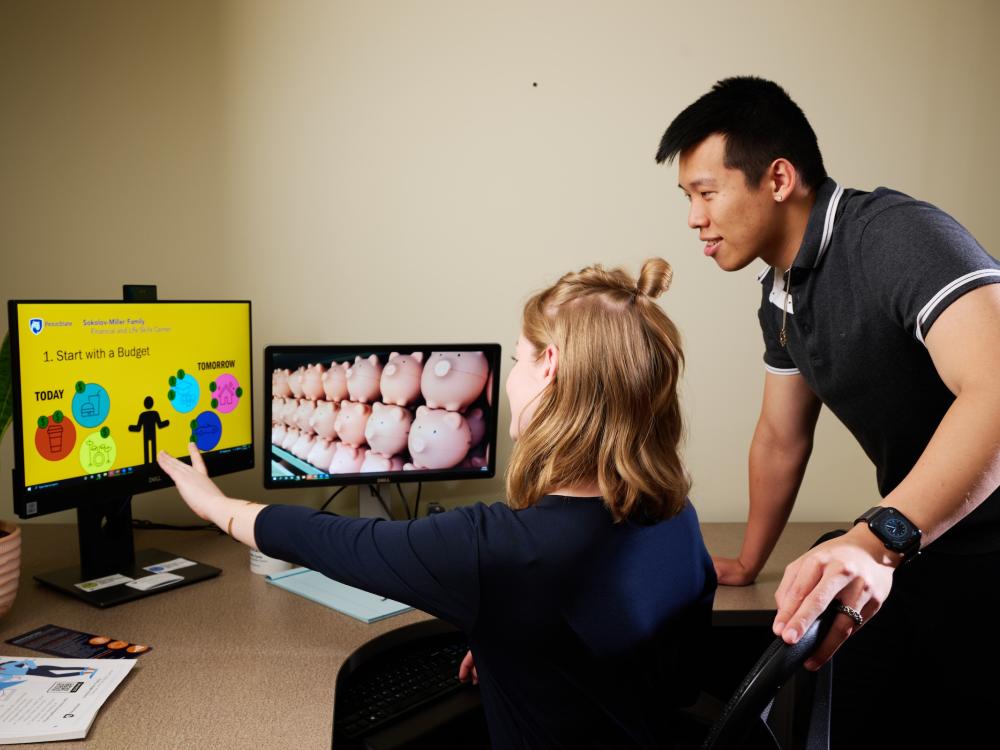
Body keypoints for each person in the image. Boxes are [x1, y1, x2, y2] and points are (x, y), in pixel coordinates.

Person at [158, 258, 717, 750]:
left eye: (519, 361)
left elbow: (338, 542)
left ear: (550, 367)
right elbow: (680, 682)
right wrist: (516, 646)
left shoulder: (499, 550)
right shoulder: (676, 514)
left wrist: (214, 506)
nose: (504, 386)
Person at [656, 76, 1000, 744]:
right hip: (937, 548)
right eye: (687, 198)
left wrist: (880, 538)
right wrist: (749, 560)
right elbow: (781, 438)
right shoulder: (780, 296)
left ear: (777, 178)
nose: (694, 218)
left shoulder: (896, 237)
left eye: (706, 192)